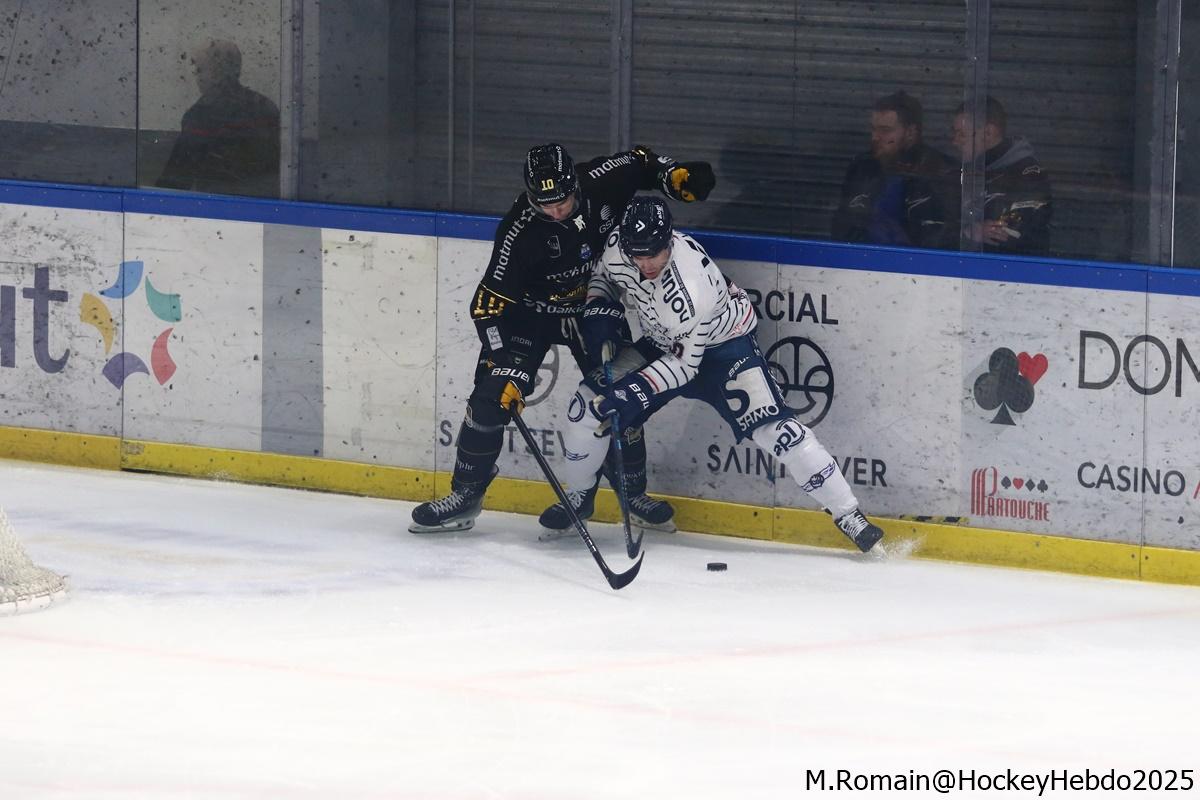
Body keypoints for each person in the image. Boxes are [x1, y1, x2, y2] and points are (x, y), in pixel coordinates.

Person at [546, 195, 885, 553]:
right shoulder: (620, 247)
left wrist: (632, 394)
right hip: (663, 343)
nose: (645, 263)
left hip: (724, 351)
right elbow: (605, 275)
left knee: (781, 432)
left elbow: (684, 366)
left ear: (669, 240)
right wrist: (599, 304)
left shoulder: (690, 286)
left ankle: (848, 513)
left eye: (653, 254)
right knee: (587, 404)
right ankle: (579, 496)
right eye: (637, 255)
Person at [410, 144, 716, 534]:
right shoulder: (519, 231)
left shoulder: (602, 180)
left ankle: (632, 494)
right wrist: (501, 361)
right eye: (544, 205)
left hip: (591, 308)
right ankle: (465, 497)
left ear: (576, 186)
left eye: (562, 202)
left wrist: (672, 176)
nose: (555, 212)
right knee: (491, 398)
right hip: (529, 316)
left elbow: (641, 162)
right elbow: (486, 308)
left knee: (618, 393)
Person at [156, 40, 280, 197]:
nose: (196, 77)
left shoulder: (201, 115)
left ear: (217, 74)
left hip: (216, 204)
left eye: (199, 70)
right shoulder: (265, 107)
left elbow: (175, 179)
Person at [831, 91, 955, 249]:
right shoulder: (862, 166)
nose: (875, 137)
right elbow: (842, 224)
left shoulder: (940, 171)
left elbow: (942, 237)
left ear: (910, 133)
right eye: (873, 129)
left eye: (885, 130)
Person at [950, 96, 1052, 255]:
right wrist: (968, 231)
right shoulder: (965, 171)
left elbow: (1005, 233)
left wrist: (968, 232)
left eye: (961, 134)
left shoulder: (1028, 174)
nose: (954, 142)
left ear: (988, 132)